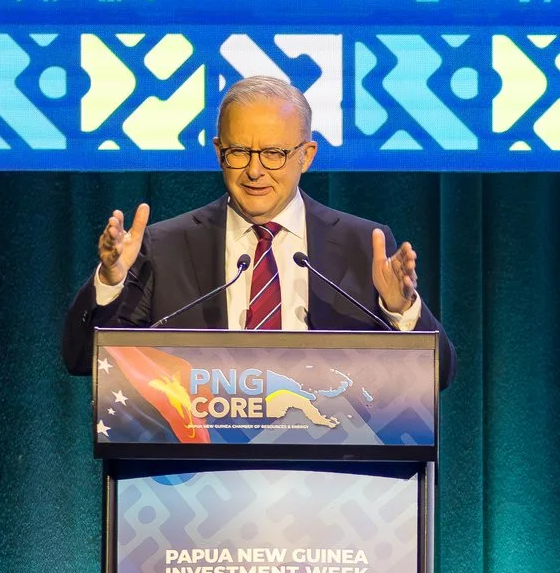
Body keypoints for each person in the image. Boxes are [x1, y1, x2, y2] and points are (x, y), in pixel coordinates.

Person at [59, 74, 455, 386]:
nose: (254, 170)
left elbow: (438, 376)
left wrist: (400, 311)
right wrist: (110, 283)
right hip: (191, 476)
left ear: (306, 155)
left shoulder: (360, 246)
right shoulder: (165, 247)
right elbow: (82, 361)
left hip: (334, 474)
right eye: (239, 152)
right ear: (218, 152)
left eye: (273, 153)